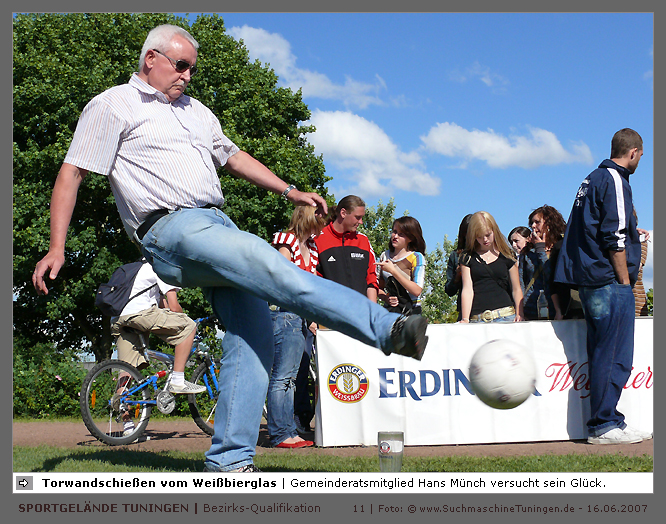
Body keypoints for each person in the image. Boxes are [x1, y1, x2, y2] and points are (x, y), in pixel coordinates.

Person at [31, 24, 428, 473]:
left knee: (253, 337)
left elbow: (234, 158)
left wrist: (290, 191)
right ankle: (389, 330)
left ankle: (230, 462)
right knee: (270, 264)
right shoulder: (112, 105)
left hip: (217, 223)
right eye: (180, 65)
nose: (187, 75)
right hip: (170, 227)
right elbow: (72, 173)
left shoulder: (197, 111)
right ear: (151, 59)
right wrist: (57, 247)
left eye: (192, 69)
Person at [554, 128, 652, 444]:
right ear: (634, 153)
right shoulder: (614, 180)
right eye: (640, 156)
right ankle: (604, 424)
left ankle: (609, 421)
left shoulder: (592, 179)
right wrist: (624, 282)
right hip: (608, 279)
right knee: (613, 354)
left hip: (589, 278)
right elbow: (616, 236)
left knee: (602, 352)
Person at [111, 259, 206, 436]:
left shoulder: (138, 270)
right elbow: (174, 306)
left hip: (119, 317)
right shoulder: (162, 267)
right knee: (189, 326)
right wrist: (188, 325)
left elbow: (164, 306)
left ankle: (128, 426)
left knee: (127, 370)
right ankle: (178, 380)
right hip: (140, 314)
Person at [267, 206, 324, 448]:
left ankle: (288, 431)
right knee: (283, 377)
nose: (322, 225)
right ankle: (281, 433)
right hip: (285, 314)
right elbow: (279, 278)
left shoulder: (311, 247)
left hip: (300, 316)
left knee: (291, 378)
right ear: (308, 219)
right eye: (319, 220)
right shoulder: (287, 241)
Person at [459, 211, 523, 324]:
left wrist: (520, 313)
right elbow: (467, 289)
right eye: (479, 236)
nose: (485, 240)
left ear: (494, 231)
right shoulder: (467, 257)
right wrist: (465, 318)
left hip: (506, 317)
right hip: (478, 319)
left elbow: (516, 288)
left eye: (488, 235)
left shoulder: (507, 254)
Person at [314, 195, 379, 302]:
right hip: (329, 309)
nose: (361, 222)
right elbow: (314, 280)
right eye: (357, 217)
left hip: (361, 310)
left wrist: (373, 310)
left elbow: (371, 280)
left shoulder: (363, 240)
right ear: (343, 213)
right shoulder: (318, 239)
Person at [523, 206, 568, 320]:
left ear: (549, 224)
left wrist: (541, 250)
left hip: (556, 309)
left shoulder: (561, 248)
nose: (533, 226)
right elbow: (521, 282)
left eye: (537, 222)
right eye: (532, 223)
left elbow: (551, 275)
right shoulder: (528, 252)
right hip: (531, 309)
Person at [376, 216, 427, 315]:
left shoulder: (416, 257)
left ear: (411, 238)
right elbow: (378, 287)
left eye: (401, 234)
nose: (395, 236)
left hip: (411, 311)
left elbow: (417, 290)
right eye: (394, 232)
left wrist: (393, 271)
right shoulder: (384, 256)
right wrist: (386, 298)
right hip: (390, 312)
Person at [445, 214, 472, 321]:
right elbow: (449, 290)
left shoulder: (488, 254)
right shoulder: (456, 255)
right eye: (468, 233)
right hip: (465, 310)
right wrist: (457, 276)